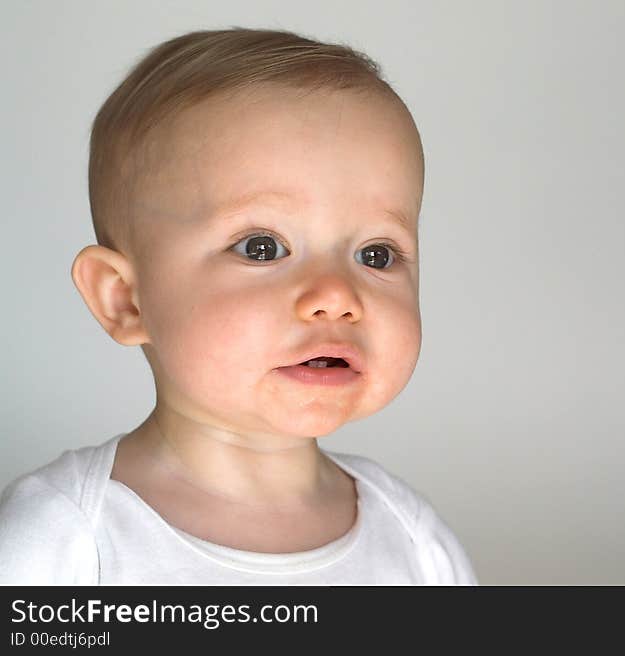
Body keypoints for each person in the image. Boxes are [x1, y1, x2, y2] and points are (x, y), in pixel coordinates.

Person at [0, 27, 477, 585]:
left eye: (376, 253)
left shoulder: (414, 542)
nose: (337, 296)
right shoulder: (67, 541)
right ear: (124, 299)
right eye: (262, 247)